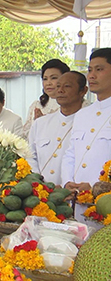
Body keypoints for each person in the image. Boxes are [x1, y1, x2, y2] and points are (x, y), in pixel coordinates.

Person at [62, 48, 111, 226]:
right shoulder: (84, 114)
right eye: (90, 70)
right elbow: (71, 153)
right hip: (77, 206)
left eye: (99, 69)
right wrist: (68, 181)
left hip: (105, 207)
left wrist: (92, 185)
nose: (92, 76)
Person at [28, 71, 87, 185]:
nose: (60, 90)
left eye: (67, 86)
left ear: (83, 91)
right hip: (43, 195)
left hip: (76, 196)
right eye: (58, 86)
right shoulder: (40, 123)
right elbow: (30, 156)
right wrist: (39, 183)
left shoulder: (89, 123)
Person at [22, 59, 69, 138]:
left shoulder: (72, 105)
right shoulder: (36, 105)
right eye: (45, 79)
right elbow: (26, 135)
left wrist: (44, 124)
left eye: (53, 78)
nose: (48, 83)